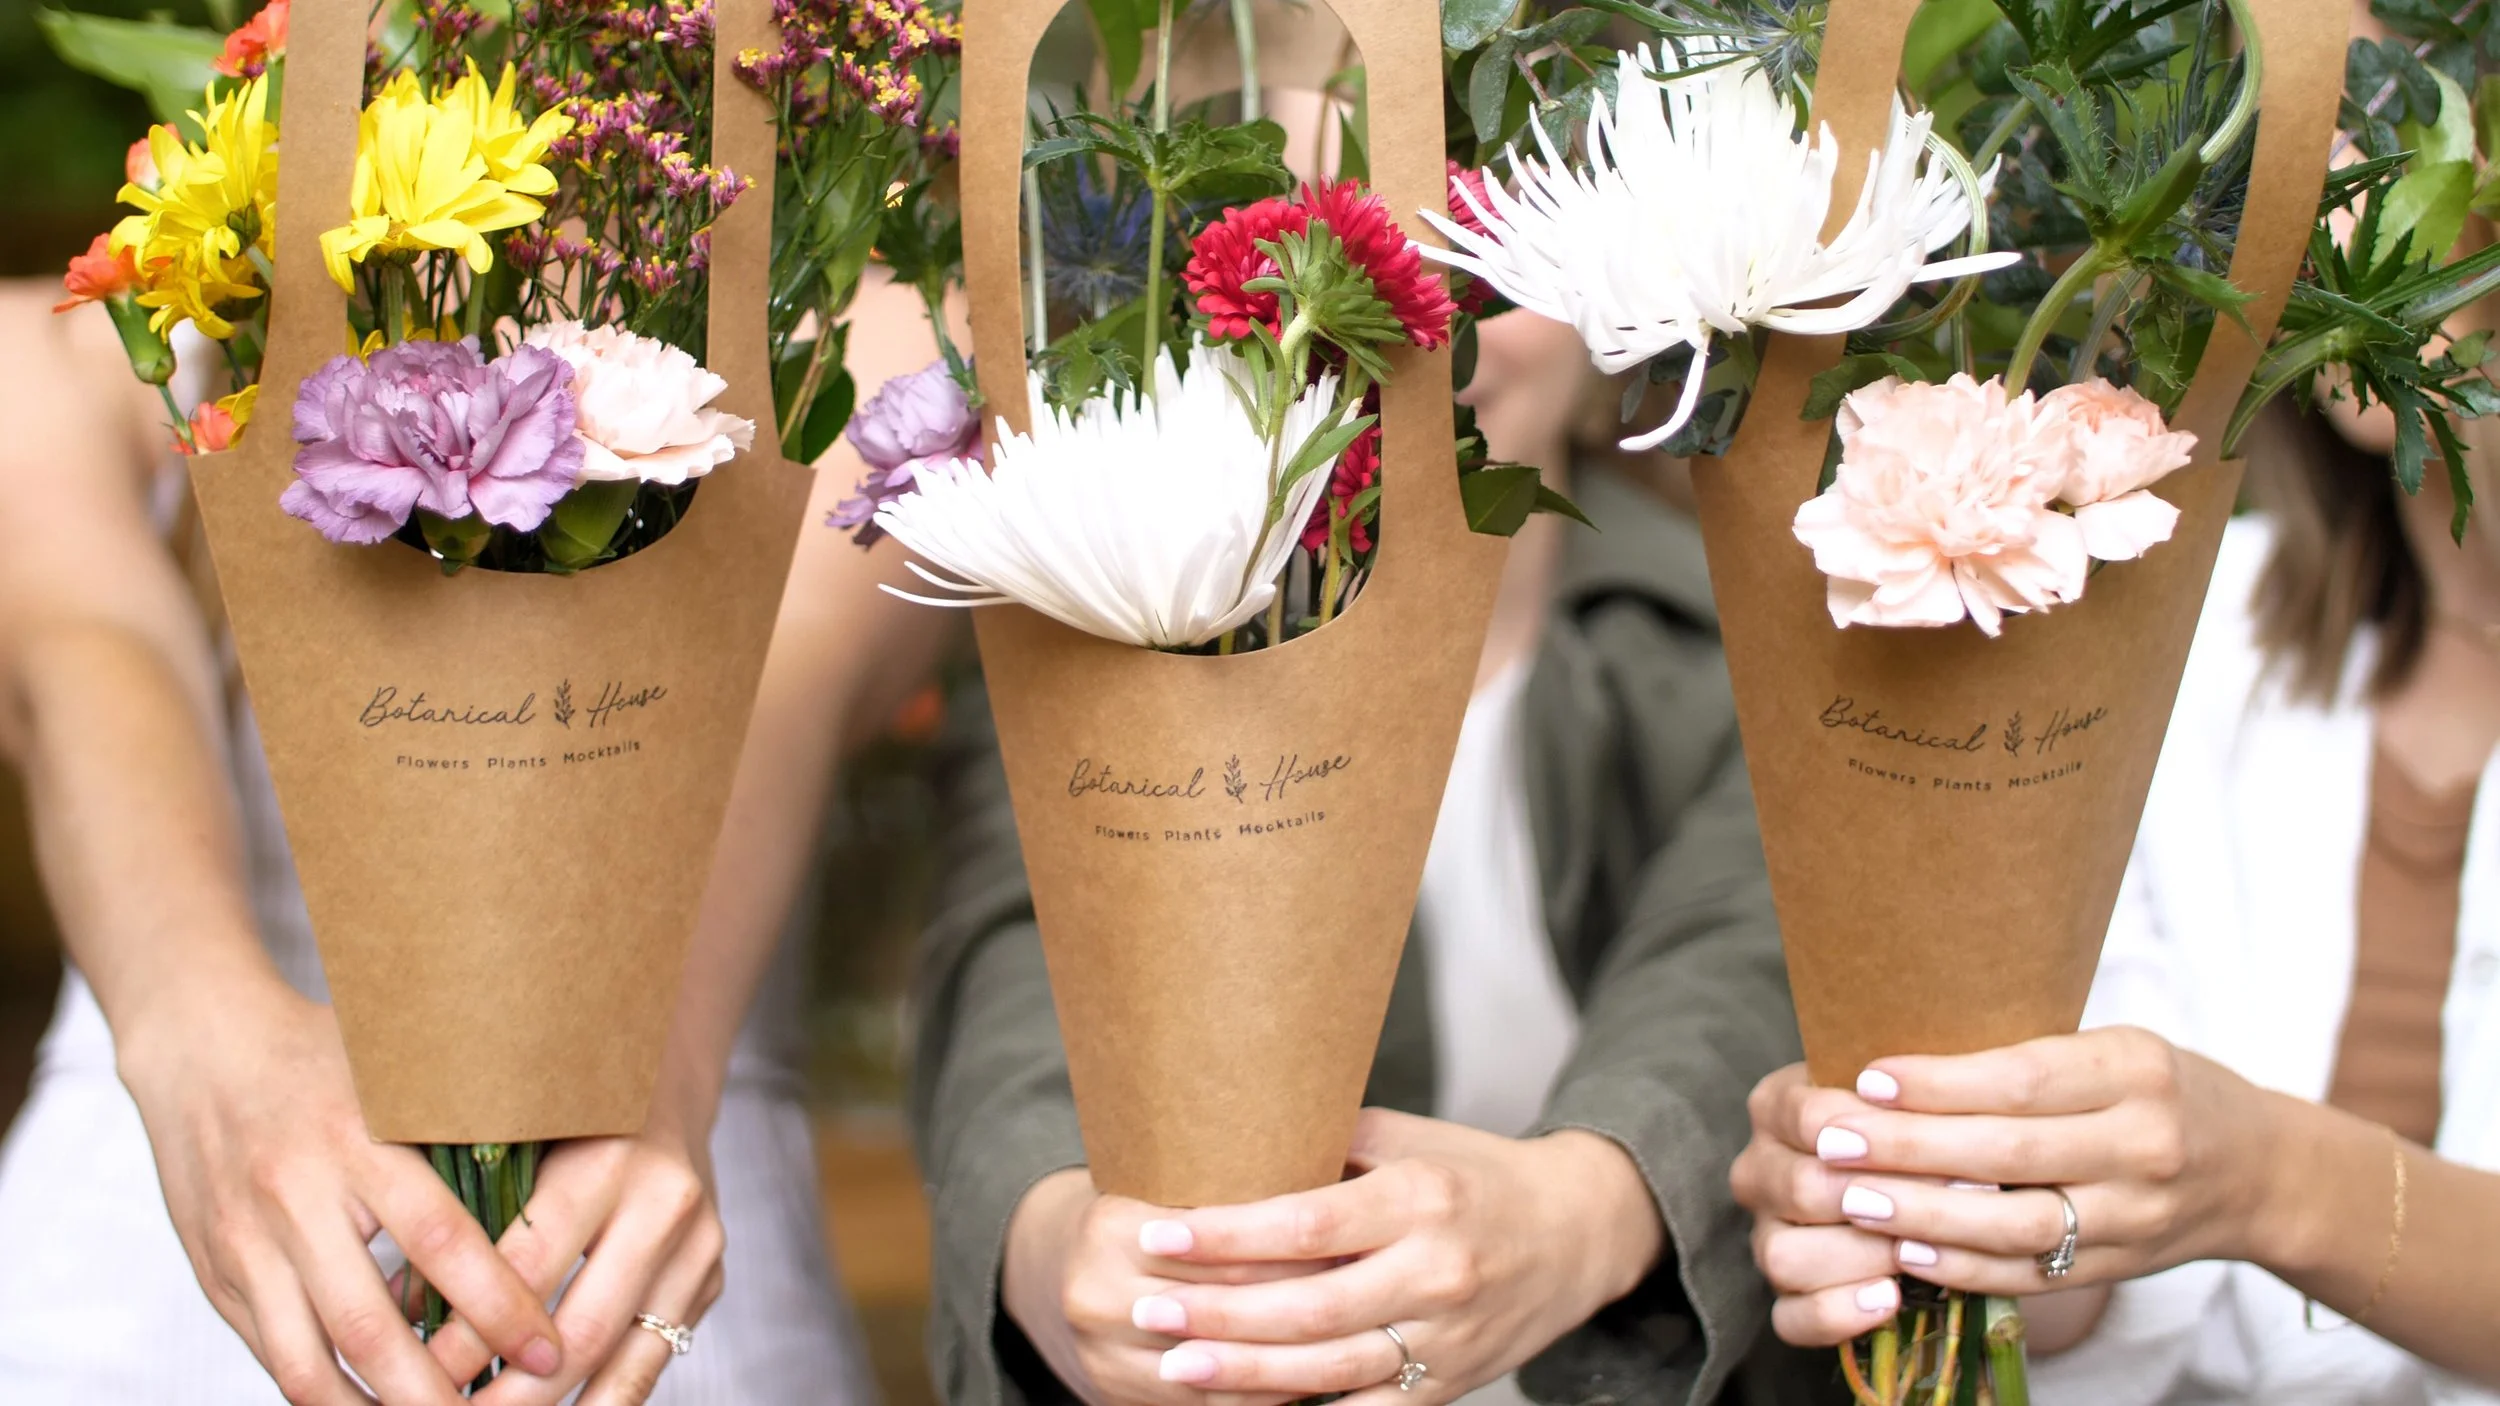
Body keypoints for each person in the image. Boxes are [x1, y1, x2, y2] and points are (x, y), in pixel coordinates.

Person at [0, 270, 960, 1404]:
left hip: (643, 1257)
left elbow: (779, 682)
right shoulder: (62, 360)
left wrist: (655, 1071)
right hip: (145, 1287)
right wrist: (198, 1031)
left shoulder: (860, 344)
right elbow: (89, 670)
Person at [907, 306, 1836, 1406]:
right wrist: (1051, 1235)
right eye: (1334, 258)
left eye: (1479, 268)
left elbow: (1750, 959)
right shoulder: (1092, 650)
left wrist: (1587, 1206)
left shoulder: (1757, 633)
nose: (1421, 334)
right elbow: (1015, 969)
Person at [1729, 380, 2500, 1403]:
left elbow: (2209, 1180)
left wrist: (2270, 1177)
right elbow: (2101, 1274)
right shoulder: (2162, 637)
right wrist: (1945, 1195)